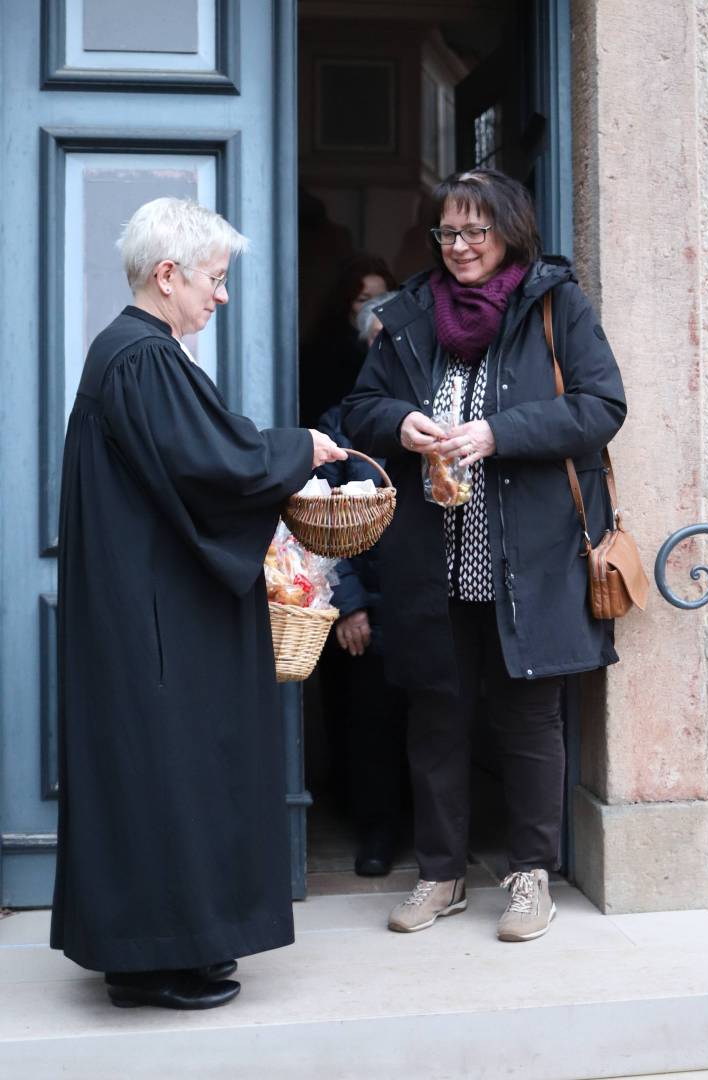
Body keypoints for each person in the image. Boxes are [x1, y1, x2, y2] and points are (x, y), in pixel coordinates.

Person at [50, 197, 346, 1009]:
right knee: (165, 774)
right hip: (155, 614)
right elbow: (213, 465)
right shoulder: (142, 356)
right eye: (214, 280)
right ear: (168, 275)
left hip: (147, 602)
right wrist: (299, 450)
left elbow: (194, 458)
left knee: (158, 775)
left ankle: (169, 950)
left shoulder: (134, 354)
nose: (220, 296)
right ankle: (156, 962)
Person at [342, 168, 626, 941]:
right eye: (448, 232)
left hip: (529, 555)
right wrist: (400, 422)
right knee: (436, 716)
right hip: (430, 558)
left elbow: (602, 406)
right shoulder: (406, 316)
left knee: (531, 718)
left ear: (510, 231)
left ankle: (531, 876)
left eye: (476, 231)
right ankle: (441, 875)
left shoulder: (553, 304)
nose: (461, 246)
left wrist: (500, 434)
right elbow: (358, 409)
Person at [315, 291, 407, 876]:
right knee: (370, 726)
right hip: (368, 604)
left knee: (433, 723)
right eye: (379, 341)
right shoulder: (339, 422)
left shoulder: (437, 417)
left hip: (432, 598)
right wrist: (348, 605)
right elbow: (319, 519)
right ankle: (378, 832)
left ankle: (440, 837)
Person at [299, 253, 397, 427]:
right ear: (346, 302)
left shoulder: (401, 349)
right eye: (363, 299)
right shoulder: (325, 354)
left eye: (382, 298)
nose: (373, 307)